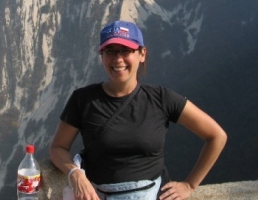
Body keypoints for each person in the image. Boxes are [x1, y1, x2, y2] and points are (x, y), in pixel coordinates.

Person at [49, 20, 227, 200]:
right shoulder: (83, 100)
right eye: (110, 51)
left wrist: (190, 184)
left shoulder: (161, 99)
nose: (118, 59)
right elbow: (58, 148)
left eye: (126, 50)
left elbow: (216, 136)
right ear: (102, 56)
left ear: (142, 54)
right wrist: (75, 174)